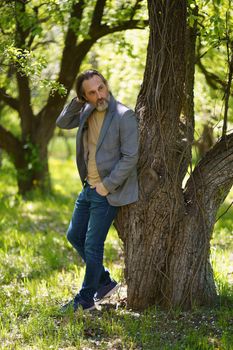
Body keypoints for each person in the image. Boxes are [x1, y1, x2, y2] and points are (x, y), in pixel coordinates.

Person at [56, 69, 139, 311]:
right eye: (91, 92)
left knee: (93, 245)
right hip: (88, 187)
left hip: (107, 191)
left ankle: (85, 299)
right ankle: (103, 281)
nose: (99, 95)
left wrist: (106, 186)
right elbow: (62, 122)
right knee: (74, 235)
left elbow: (130, 157)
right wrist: (78, 102)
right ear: (84, 96)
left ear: (106, 85)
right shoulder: (85, 110)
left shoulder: (124, 115)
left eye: (101, 87)